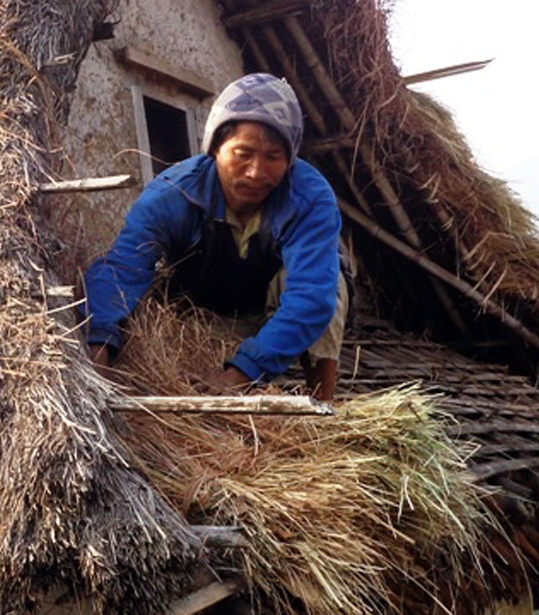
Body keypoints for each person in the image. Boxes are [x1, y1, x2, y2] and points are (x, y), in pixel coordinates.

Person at [84, 72, 346, 401]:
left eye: (273, 157)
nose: (256, 172)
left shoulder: (309, 198)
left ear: (290, 160)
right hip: (202, 313)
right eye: (243, 153)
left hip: (275, 314)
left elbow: (311, 298)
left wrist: (239, 375)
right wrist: (100, 346)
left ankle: (322, 403)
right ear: (215, 148)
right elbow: (123, 268)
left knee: (333, 286)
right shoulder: (173, 193)